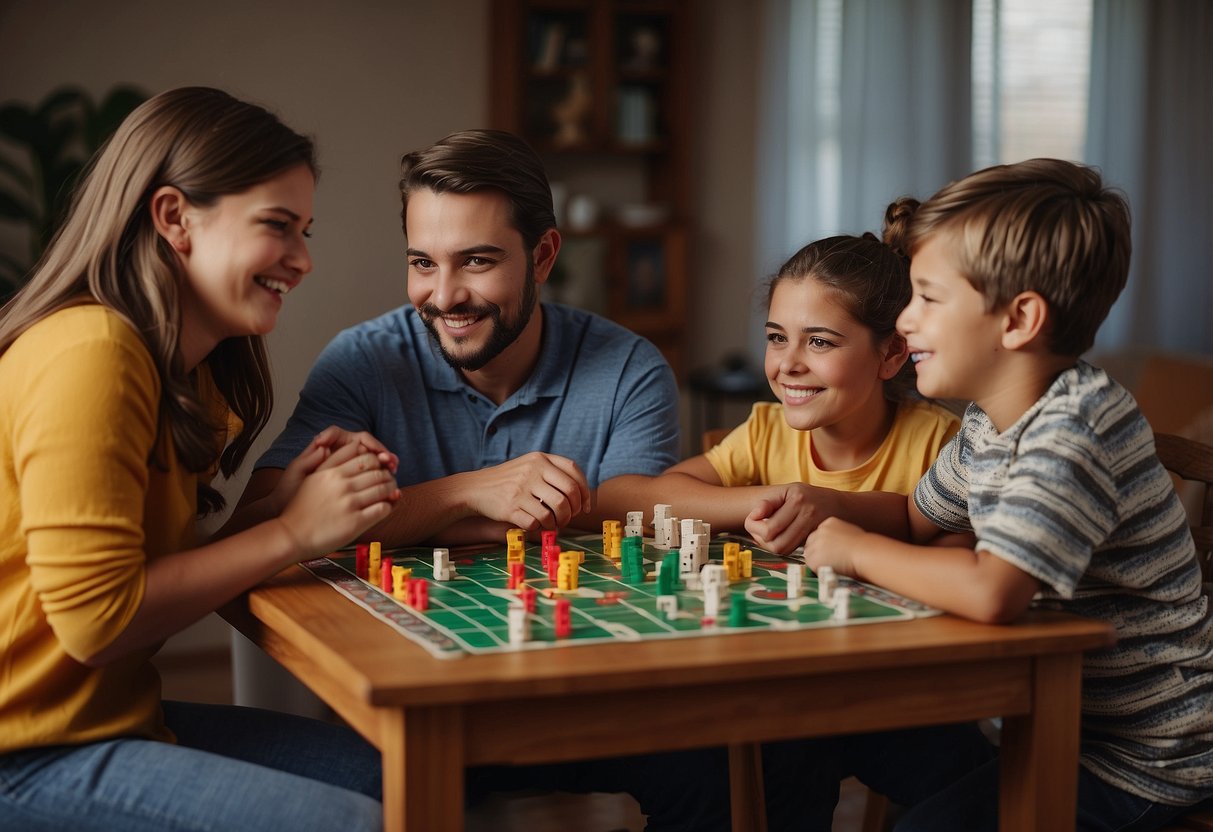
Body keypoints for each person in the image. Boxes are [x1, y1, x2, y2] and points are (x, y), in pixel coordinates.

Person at [756, 158, 1213, 831]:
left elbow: (991, 590)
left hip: (1141, 756)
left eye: (926, 299)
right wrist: (823, 503)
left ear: (1018, 319)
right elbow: (916, 517)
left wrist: (851, 550)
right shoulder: (988, 417)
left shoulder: (1073, 430)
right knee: (802, 735)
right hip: (1042, 719)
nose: (903, 322)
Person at [0, 87, 402, 832]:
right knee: (349, 822)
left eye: (305, 230)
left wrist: (282, 509)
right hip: (22, 749)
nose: (303, 260)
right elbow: (96, 623)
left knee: (407, 780)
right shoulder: (92, 351)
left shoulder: (191, 375)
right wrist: (290, 535)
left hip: (108, 718)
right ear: (174, 218)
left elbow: (150, 586)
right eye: (278, 227)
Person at [233, 128, 679, 547]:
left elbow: (634, 521)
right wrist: (467, 492)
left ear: (542, 258)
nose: (444, 297)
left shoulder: (630, 371)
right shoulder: (361, 360)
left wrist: (422, 517)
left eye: (477, 261)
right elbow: (260, 526)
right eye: (423, 263)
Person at [609, 233, 960, 554]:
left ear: (891, 354)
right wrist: (782, 499)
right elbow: (664, 495)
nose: (788, 364)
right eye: (777, 338)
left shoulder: (942, 443)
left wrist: (835, 508)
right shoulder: (765, 431)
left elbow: (956, 563)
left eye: (819, 342)